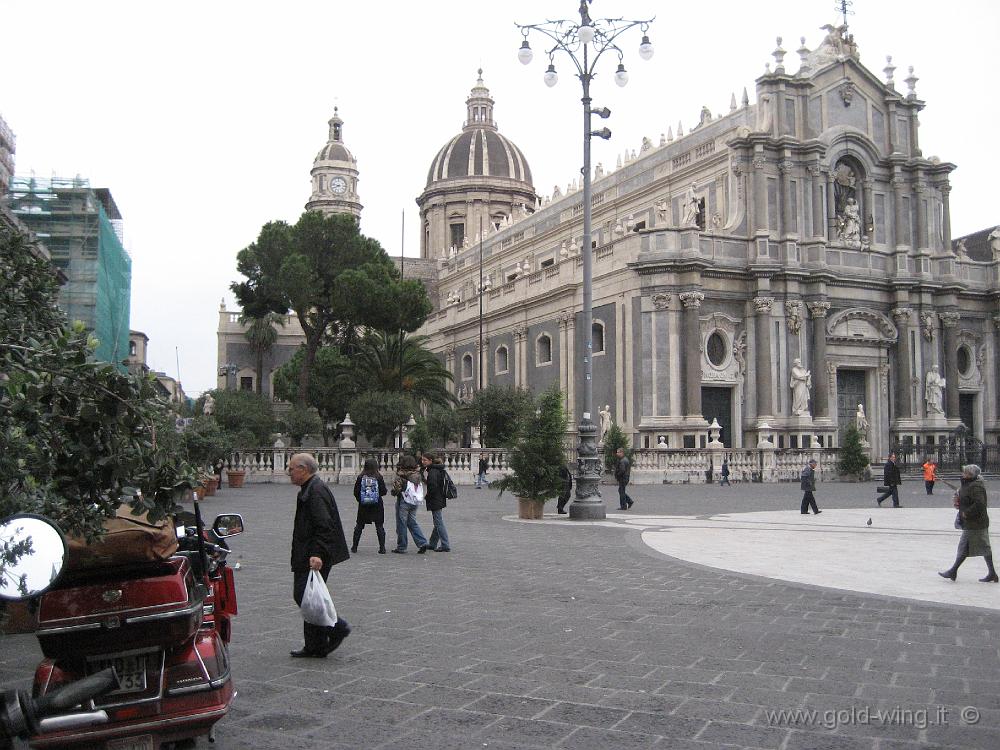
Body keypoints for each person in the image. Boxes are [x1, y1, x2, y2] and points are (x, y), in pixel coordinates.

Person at [287, 453, 351, 658]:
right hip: (308, 551)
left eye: (291, 469)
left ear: (303, 469)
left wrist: (317, 553)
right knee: (309, 598)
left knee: (304, 596)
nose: (289, 472)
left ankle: (337, 627)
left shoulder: (315, 491)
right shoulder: (311, 488)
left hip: (314, 554)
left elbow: (324, 525)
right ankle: (314, 645)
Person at [939, 464, 998, 583]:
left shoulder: (976, 486)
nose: (963, 474)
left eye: (965, 473)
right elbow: (966, 499)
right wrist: (958, 502)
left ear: (971, 475)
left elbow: (980, 504)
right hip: (973, 522)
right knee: (982, 547)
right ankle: (992, 573)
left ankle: (953, 571)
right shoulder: (968, 484)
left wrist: (967, 513)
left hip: (976, 523)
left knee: (968, 546)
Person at [390, 455, 430, 554]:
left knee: (401, 524)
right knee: (412, 522)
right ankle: (422, 542)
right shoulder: (417, 474)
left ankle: (402, 546)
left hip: (404, 501)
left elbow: (396, 489)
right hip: (414, 501)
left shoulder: (401, 475)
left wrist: (393, 492)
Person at [351, 457, 387, 554]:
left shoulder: (361, 477)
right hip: (377, 505)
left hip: (364, 505)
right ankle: (382, 548)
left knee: (359, 526)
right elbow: (383, 491)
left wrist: (361, 499)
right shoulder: (378, 477)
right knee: (379, 526)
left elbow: (356, 492)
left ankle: (354, 547)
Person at [421, 452, 451, 552]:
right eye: (422, 460)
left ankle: (445, 544)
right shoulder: (437, 469)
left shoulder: (433, 471)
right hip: (439, 498)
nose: (423, 462)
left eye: (425, 460)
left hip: (435, 499)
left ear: (430, 461)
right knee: (437, 522)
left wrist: (427, 496)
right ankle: (433, 543)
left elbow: (433, 486)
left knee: (438, 522)